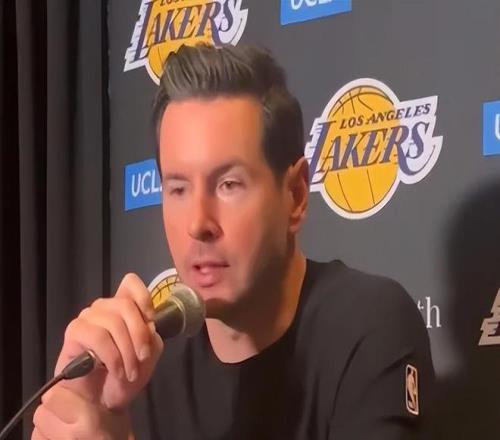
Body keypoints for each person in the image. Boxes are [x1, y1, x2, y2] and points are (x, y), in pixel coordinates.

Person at [31, 44, 435, 439]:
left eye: (228, 184)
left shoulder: (367, 327)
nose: (198, 224)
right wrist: (81, 407)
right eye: (178, 189)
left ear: (295, 195)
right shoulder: (141, 372)